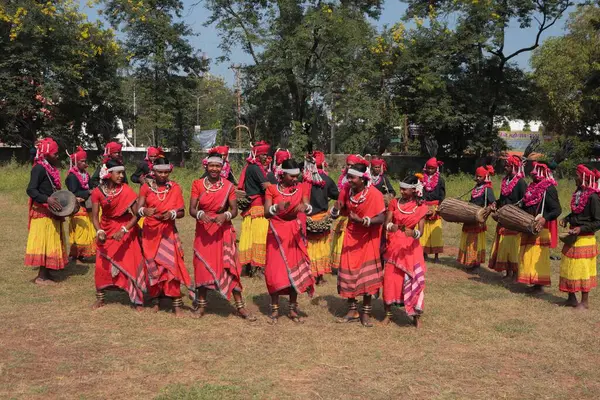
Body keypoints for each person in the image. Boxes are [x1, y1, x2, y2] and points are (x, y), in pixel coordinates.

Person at [189, 152, 255, 320]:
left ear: (222, 168)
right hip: (204, 232)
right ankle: (202, 306)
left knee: (229, 267)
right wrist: (200, 214)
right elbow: (192, 209)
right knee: (202, 268)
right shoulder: (197, 184)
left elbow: (234, 210)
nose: (214, 169)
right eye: (211, 166)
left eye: (218, 166)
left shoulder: (228, 186)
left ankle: (240, 307)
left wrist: (224, 216)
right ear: (206, 166)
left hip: (222, 231)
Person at [332, 161, 385, 327]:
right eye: (348, 177)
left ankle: (366, 313)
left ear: (363, 179)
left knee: (365, 277)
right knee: (349, 273)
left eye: (352, 177)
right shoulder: (346, 191)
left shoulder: (374, 194)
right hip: (351, 236)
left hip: (368, 238)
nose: (349, 180)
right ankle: (353, 310)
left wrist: (363, 221)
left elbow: (381, 218)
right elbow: (340, 212)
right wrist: (335, 210)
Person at [137, 156, 192, 316]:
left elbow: (182, 212)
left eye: (166, 172)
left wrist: (172, 213)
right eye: (160, 172)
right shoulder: (146, 188)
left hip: (168, 232)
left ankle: (176, 303)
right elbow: (137, 209)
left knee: (170, 266)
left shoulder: (174, 187)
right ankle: (157, 300)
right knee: (153, 265)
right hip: (150, 232)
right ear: (153, 171)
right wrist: (144, 211)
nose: (163, 175)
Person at [264, 159, 315, 323]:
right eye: (291, 176)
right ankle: (275, 310)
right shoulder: (271, 189)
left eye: (296, 176)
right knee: (274, 272)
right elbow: (266, 212)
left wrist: (305, 208)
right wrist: (276, 208)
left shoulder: (300, 188)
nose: (294, 179)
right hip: (276, 234)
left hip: (294, 233)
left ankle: (293, 309)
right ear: (282, 174)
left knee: (294, 269)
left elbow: (308, 206)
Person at [91, 159, 146, 310]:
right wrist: (99, 230)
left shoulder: (126, 190)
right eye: (118, 172)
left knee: (131, 263)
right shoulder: (97, 192)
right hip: (106, 230)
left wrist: (124, 230)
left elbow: (137, 215)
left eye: (123, 173)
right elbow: (95, 216)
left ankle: (137, 300)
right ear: (108, 174)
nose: (121, 175)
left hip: (125, 229)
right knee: (102, 266)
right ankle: (101, 298)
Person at [382, 175, 428, 328]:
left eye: (405, 189)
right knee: (390, 279)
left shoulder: (420, 207)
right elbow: (386, 223)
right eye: (400, 188)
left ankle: (415, 316)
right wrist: (391, 227)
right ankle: (388, 314)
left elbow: (420, 231)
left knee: (413, 279)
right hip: (394, 246)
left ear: (414, 190)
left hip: (411, 249)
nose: (401, 191)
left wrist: (412, 233)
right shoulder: (394, 203)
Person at [25, 138, 67, 284]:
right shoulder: (39, 168)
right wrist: (46, 199)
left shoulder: (51, 168)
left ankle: (47, 273)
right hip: (42, 212)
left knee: (51, 241)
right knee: (44, 242)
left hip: (51, 211)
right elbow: (31, 190)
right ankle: (41, 276)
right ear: (47, 154)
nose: (57, 156)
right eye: (55, 153)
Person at [559, 165, 600, 309]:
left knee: (582, 270)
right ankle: (571, 298)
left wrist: (581, 228)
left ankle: (585, 302)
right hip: (572, 237)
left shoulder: (593, 197)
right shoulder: (577, 194)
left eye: (576, 175)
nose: (574, 178)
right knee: (568, 267)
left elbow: (597, 221)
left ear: (583, 178)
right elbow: (576, 213)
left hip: (585, 239)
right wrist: (567, 218)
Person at [518, 161, 561, 293]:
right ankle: (532, 281)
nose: (532, 173)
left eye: (536, 171)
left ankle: (539, 284)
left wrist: (544, 219)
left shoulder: (549, 188)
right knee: (528, 254)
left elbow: (556, 210)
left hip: (540, 229)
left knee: (537, 257)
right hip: (529, 226)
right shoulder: (531, 186)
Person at [488, 155, 527, 279]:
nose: (505, 167)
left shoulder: (521, 182)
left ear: (514, 166)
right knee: (504, 245)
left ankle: (515, 274)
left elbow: (524, 200)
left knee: (513, 245)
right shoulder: (505, 180)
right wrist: (496, 203)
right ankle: (508, 272)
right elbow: (503, 197)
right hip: (503, 217)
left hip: (514, 218)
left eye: (507, 165)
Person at [304, 151, 339, 285]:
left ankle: (310, 274)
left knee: (310, 246)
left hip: (309, 219)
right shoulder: (327, 180)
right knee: (322, 246)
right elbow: (336, 195)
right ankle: (319, 276)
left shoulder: (304, 179)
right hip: (323, 218)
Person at [237, 141, 271, 276]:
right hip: (258, 207)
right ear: (256, 154)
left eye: (266, 155)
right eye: (263, 155)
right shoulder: (256, 168)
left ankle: (248, 268)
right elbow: (266, 186)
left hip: (251, 208)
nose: (265, 157)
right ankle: (258, 269)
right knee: (260, 237)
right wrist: (281, 192)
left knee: (250, 237)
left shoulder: (250, 167)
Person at [457, 166, 495, 271]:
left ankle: (476, 263)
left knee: (475, 241)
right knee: (468, 239)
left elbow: (493, 203)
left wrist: (487, 210)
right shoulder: (475, 187)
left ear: (485, 177)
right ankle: (468, 261)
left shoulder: (487, 189)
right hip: (470, 217)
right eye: (477, 176)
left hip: (478, 219)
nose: (478, 178)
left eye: (480, 176)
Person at [330, 154, 363, 273]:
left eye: (352, 165)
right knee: (341, 241)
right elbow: (339, 203)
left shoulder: (366, 188)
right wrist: (336, 209)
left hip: (358, 220)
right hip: (344, 216)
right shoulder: (345, 185)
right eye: (348, 165)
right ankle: (339, 265)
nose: (349, 167)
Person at [66, 146, 96, 261]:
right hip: (77, 207)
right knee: (79, 230)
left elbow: (89, 185)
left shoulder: (86, 174)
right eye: (82, 161)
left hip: (86, 205)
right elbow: (74, 192)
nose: (84, 163)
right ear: (76, 162)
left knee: (85, 229)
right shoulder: (72, 176)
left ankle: (81, 253)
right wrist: (88, 191)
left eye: (85, 161)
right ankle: (76, 253)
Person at [419, 157, 445, 262]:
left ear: (436, 169)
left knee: (435, 232)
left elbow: (442, 196)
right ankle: (423, 253)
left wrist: (437, 208)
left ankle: (436, 256)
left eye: (432, 168)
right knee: (423, 230)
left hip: (435, 206)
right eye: (428, 168)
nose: (430, 170)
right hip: (423, 206)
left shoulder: (441, 180)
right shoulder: (421, 179)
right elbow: (419, 193)